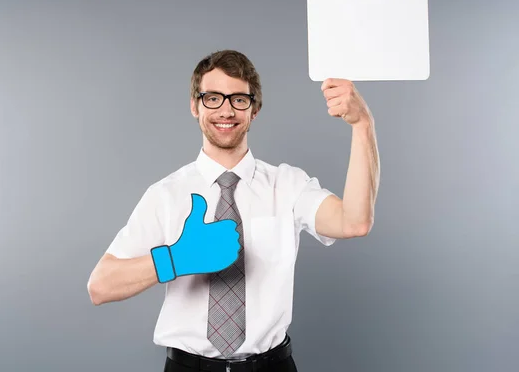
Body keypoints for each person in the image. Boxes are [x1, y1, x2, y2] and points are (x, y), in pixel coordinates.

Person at [87, 49, 380, 371]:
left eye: (239, 99)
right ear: (194, 106)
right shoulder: (165, 195)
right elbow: (100, 287)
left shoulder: (288, 184)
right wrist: (175, 258)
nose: (226, 111)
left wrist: (362, 124)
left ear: (254, 110)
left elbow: (354, 222)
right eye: (212, 98)